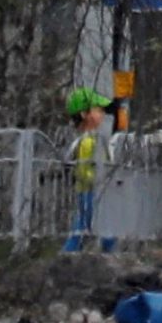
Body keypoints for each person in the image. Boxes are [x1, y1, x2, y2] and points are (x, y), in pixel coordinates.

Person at [63, 89, 114, 254]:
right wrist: (101, 180)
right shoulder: (87, 141)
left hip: (91, 190)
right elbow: (84, 168)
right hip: (91, 191)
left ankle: (70, 252)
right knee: (97, 224)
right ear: (85, 114)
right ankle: (108, 252)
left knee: (84, 225)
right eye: (97, 110)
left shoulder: (91, 139)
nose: (101, 114)